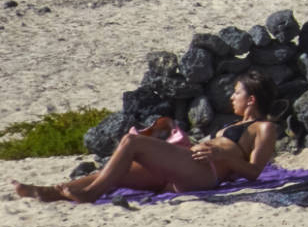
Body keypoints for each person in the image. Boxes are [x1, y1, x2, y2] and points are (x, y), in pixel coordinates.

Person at [13, 72, 281, 203]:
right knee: (121, 169)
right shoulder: (233, 124)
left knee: (132, 142)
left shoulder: (264, 128)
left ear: (251, 99)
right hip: (189, 168)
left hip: (204, 173)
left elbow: (255, 172)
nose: (231, 97)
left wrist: (221, 155)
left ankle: (91, 194)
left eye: (237, 93)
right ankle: (53, 191)